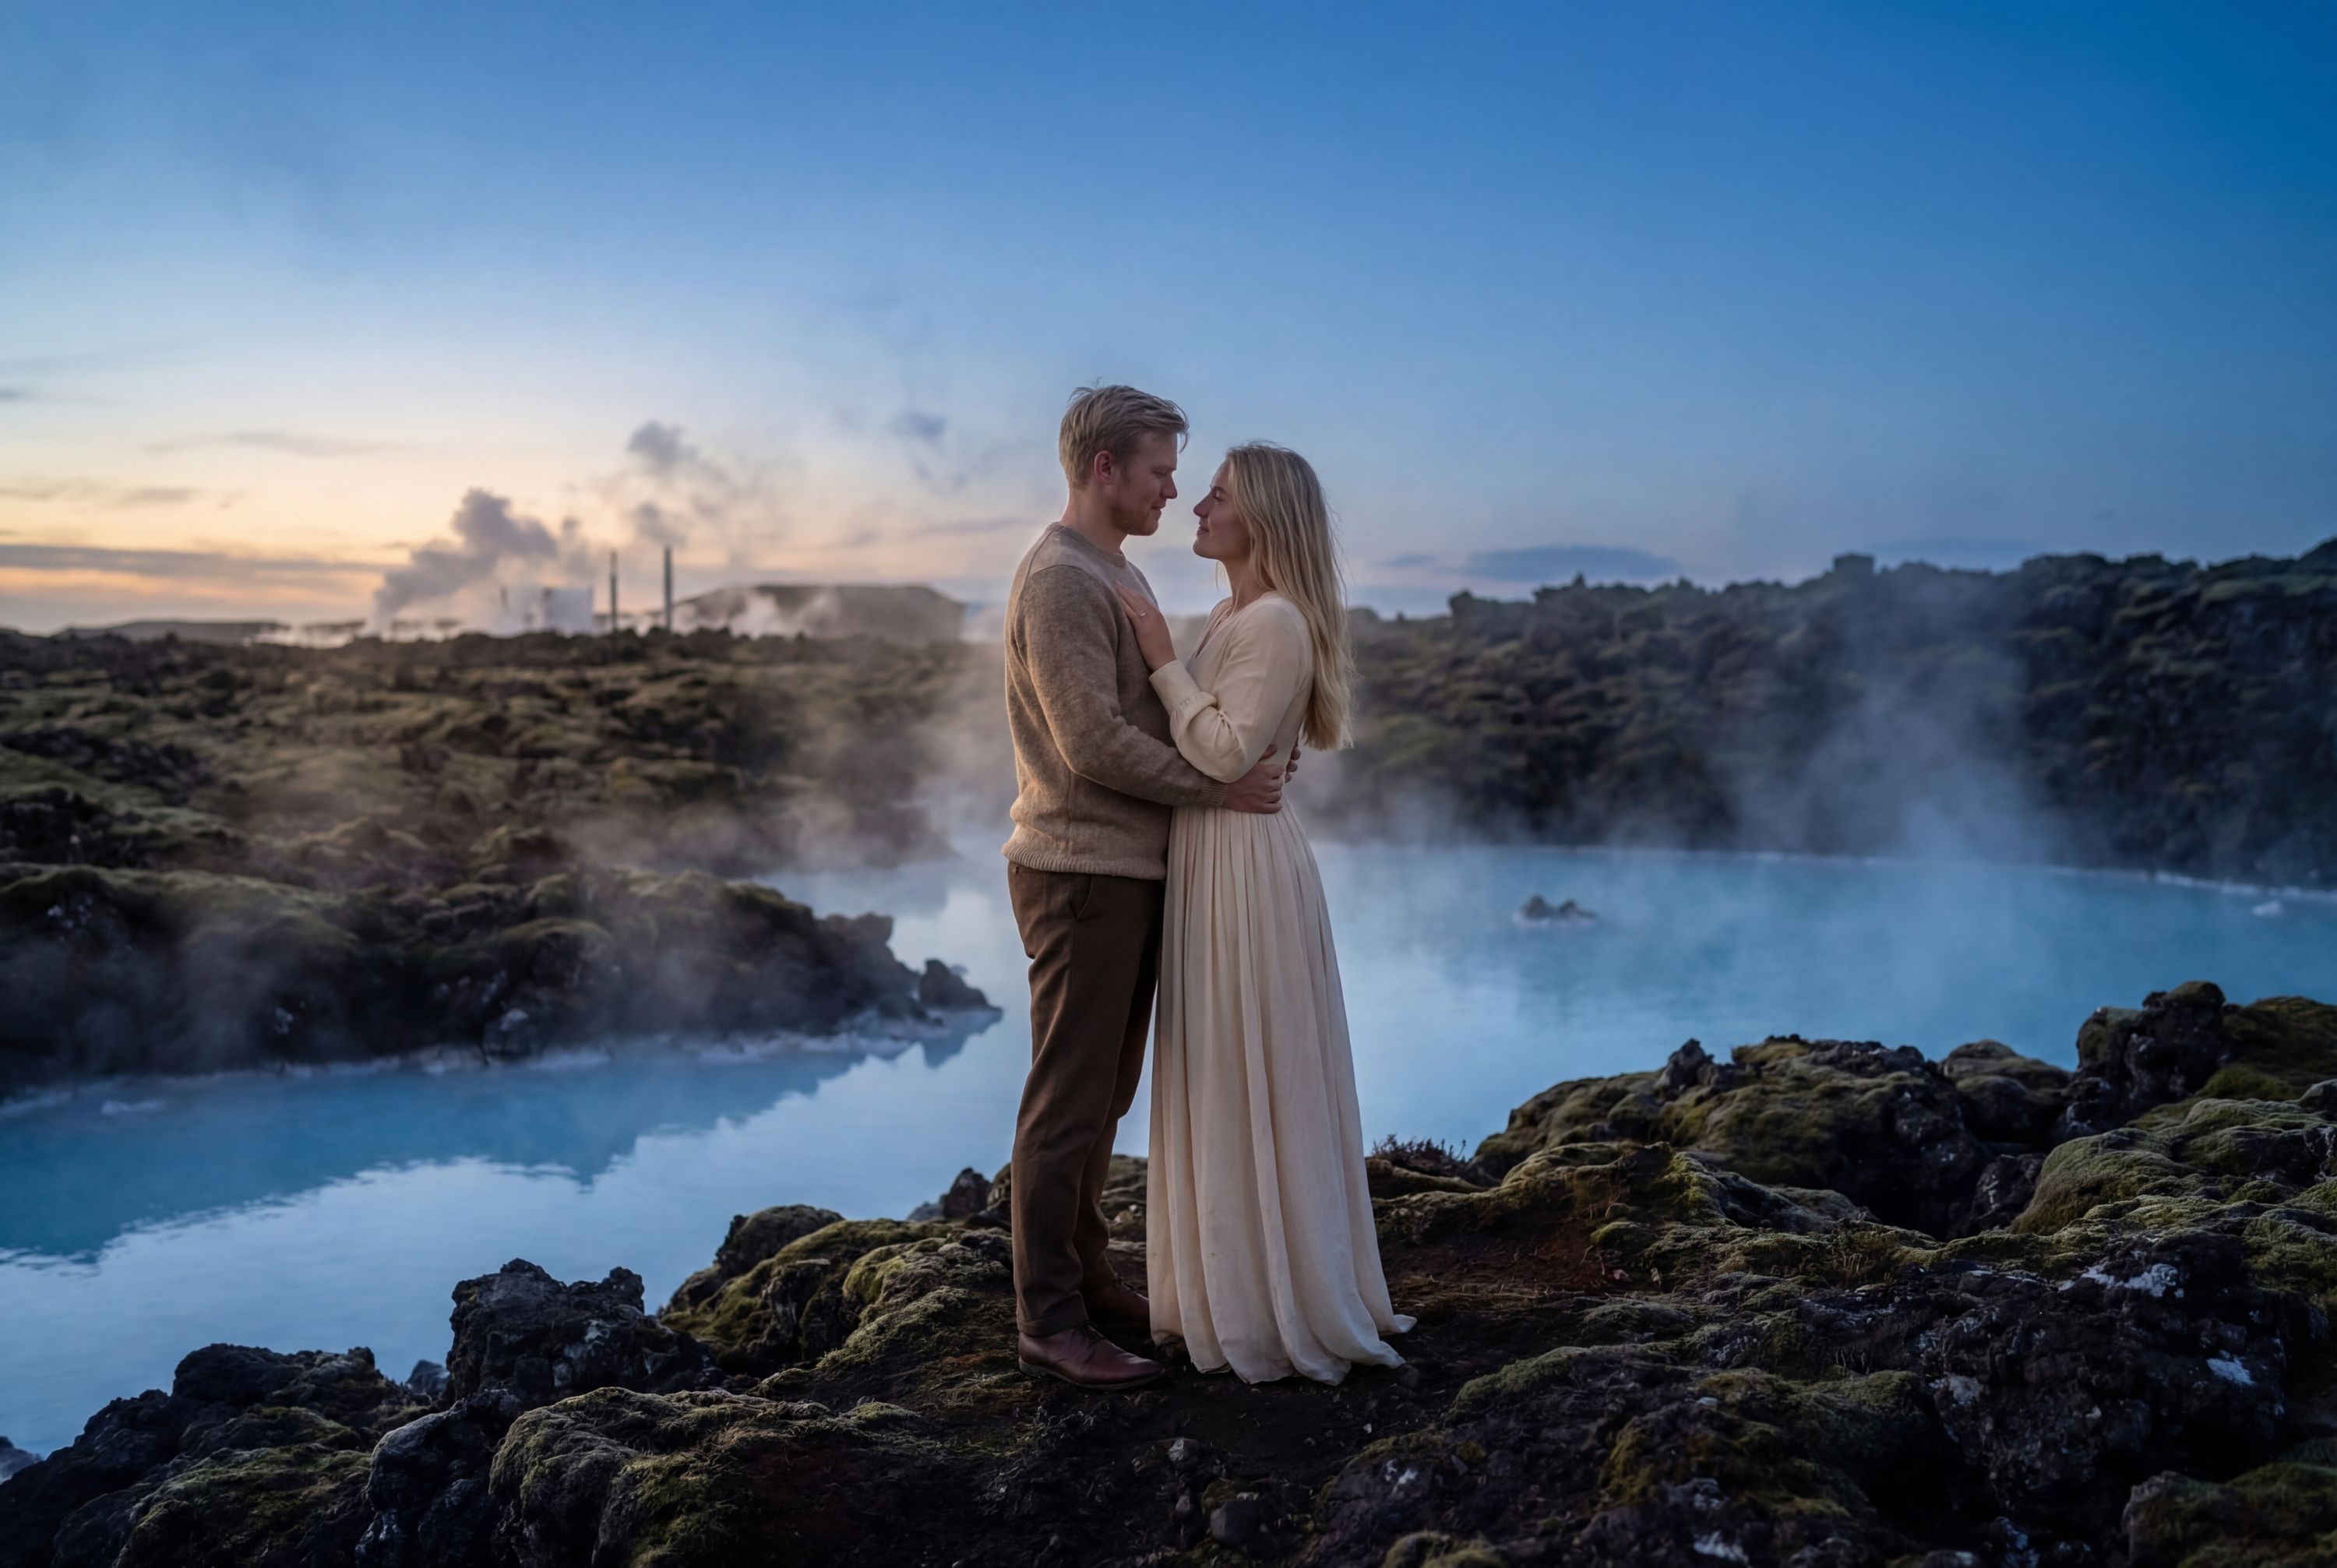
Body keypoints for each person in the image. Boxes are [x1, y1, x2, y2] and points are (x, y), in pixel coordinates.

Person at [1001, 386, 1293, 1390]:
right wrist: (1218, 787)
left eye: (1180, 475)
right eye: (1161, 471)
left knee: (1106, 1095)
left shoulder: (1108, 568)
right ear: (1103, 469)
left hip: (1124, 870)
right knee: (1069, 1102)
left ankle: (1085, 1281)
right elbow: (1091, 745)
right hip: (1079, 872)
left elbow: (1164, 711)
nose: (1174, 490)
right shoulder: (1062, 579)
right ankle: (1047, 1323)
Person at [1114, 441, 1413, 1383]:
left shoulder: (1274, 623)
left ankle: (1274, 1309)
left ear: (1265, 520)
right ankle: (1227, 1296)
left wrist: (1162, 657)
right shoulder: (1229, 615)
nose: (1196, 507)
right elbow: (1229, 754)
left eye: (1218, 496)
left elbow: (1228, 753)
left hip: (1244, 866)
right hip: (1214, 855)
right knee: (1222, 1068)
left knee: (1255, 1069)